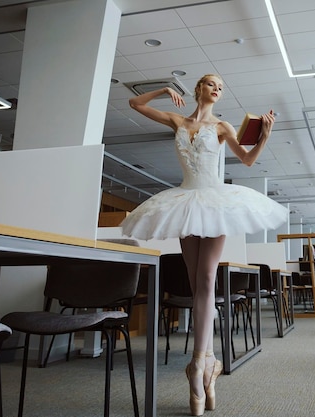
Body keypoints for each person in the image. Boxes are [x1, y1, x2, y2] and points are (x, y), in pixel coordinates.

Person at [120, 74, 287, 416]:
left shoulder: (224, 126)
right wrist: (164, 90)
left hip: (215, 201)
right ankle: (209, 362)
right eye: (211, 84)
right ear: (198, 89)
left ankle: (198, 364)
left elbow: (248, 160)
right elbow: (135, 104)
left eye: (221, 87)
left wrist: (265, 137)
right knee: (196, 282)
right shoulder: (178, 120)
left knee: (208, 279)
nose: (217, 89)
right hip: (185, 199)